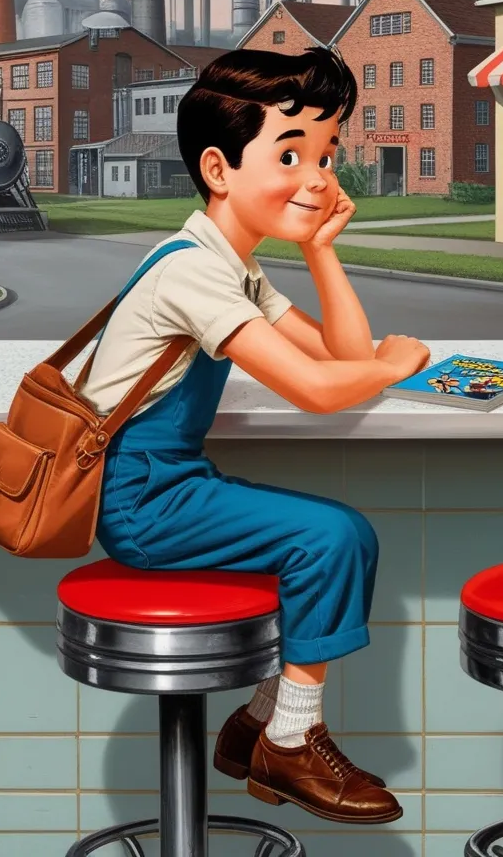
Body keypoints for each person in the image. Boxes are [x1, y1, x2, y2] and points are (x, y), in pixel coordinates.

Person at [77, 47, 430, 825]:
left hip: (172, 483)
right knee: (332, 537)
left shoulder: (230, 265)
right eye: (293, 152)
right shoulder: (192, 274)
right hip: (142, 500)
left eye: (328, 153)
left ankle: (257, 725)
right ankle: (292, 742)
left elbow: (338, 355)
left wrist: (321, 249)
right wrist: (392, 365)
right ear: (218, 167)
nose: (319, 175)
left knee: (344, 540)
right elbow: (317, 388)